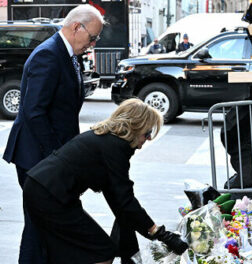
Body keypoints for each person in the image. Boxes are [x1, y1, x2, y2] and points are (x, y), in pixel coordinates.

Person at [22, 98, 189, 264]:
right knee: (102, 252)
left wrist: (153, 232)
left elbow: (116, 197)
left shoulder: (107, 140)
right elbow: (125, 199)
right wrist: (159, 233)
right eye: (148, 133)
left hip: (44, 190)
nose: (148, 139)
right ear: (136, 126)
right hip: (49, 195)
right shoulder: (116, 147)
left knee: (73, 253)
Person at [2, 4, 105, 263]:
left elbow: (65, 111)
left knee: (49, 227)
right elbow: (34, 112)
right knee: (40, 226)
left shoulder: (68, 55)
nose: (92, 44)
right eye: (92, 37)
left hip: (50, 157)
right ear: (75, 27)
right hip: (37, 158)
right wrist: (56, 158)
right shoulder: (47, 55)